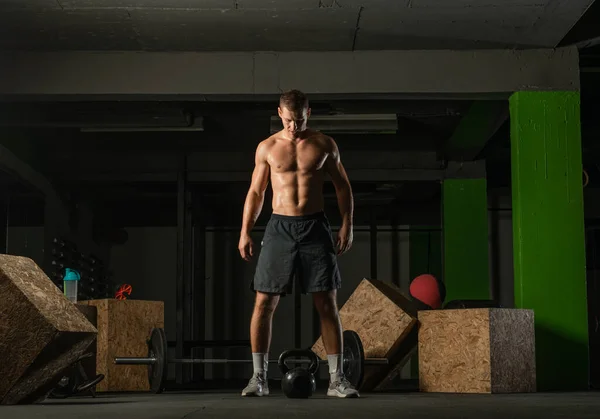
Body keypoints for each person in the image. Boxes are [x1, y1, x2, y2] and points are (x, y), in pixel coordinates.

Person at [238, 89, 359, 398]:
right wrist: (245, 231)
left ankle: (336, 380)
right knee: (264, 302)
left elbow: (342, 186)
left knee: (326, 301)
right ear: (280, 113)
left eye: (301, 119)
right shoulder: (267, 148)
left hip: (315, 225)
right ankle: (259, 378)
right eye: (290, 120)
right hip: (279, 226)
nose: (294, 126)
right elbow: (256, 192)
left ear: (309, 113)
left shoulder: (323, 144)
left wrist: (347, 223)